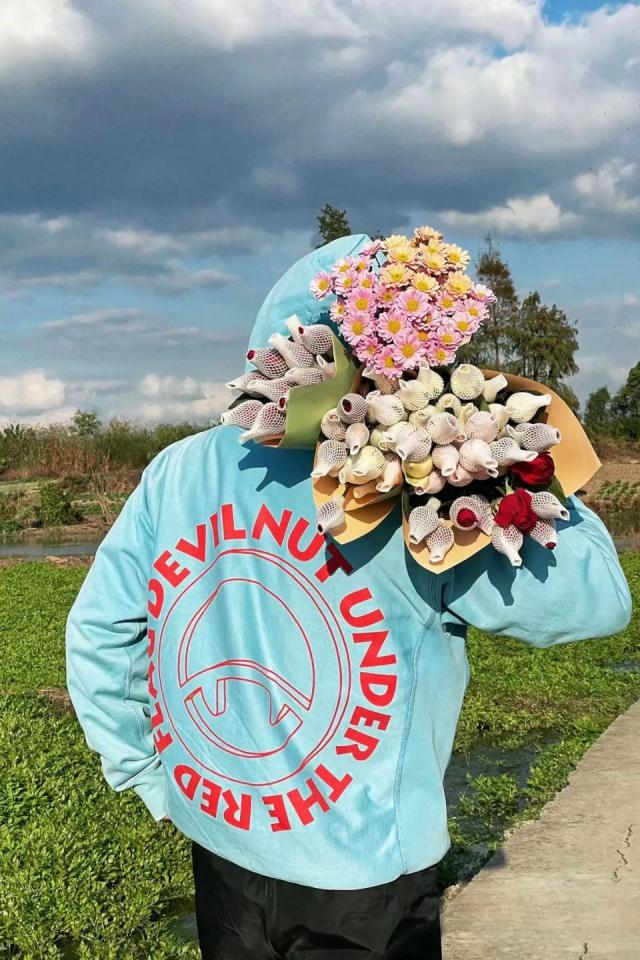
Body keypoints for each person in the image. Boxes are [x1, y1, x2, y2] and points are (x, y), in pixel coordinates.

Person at [66, 235, 632, 960]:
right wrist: (517, 464)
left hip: (219, 841)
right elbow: (596, 600)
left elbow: (99, 633)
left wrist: (150, 779)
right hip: (363, 873)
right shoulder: (415, 490)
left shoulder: (178, 469)